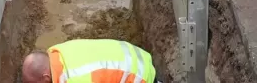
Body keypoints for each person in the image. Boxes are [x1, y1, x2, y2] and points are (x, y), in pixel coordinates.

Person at [21, 39, 161, 83]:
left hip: (141, 77)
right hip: (136, 55)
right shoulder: (56, 52)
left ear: (46, 77)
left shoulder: (74, 79)